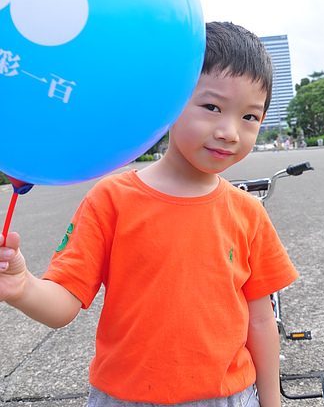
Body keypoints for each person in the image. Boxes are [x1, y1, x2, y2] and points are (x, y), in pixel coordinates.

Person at [0, 22, 298, 407]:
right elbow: (64, 303)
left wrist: (271, 403)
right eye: (212, 107)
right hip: (124, 397)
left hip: (228, 396)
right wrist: (22, 287)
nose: (229, 132)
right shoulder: (112, 198)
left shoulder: (248, 213)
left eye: (250, 117)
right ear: (169, 99)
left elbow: (260, 321)